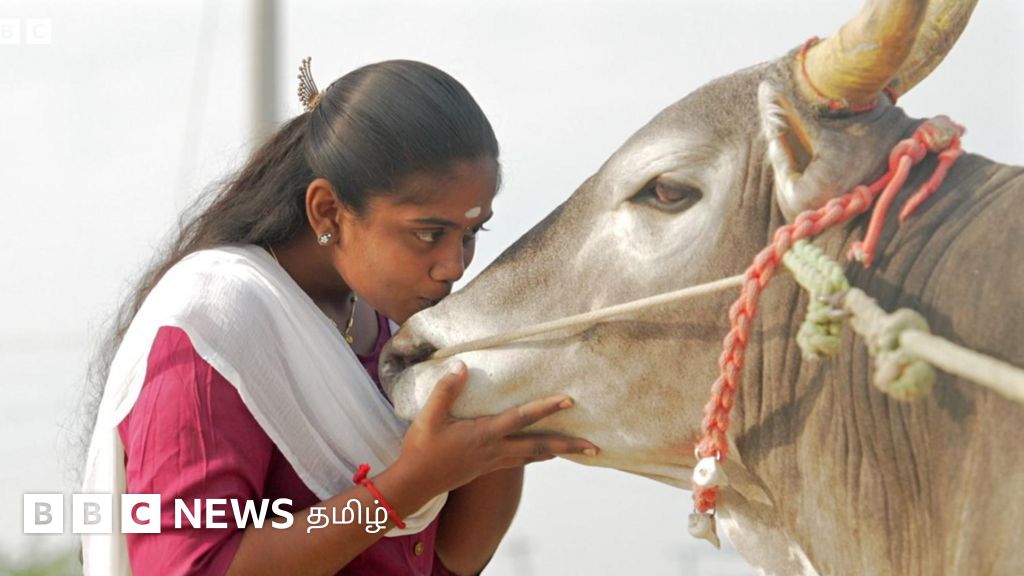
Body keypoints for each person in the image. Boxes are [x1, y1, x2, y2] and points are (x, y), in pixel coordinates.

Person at [80, 58, 597, 576]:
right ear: (328, 212)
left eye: (471, 233)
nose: (454, 266)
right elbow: (190, 567)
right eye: (427, 233)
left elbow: (444, 563)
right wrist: (410, 484)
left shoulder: (397, 325)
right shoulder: (213, 323)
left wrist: (495, 438)